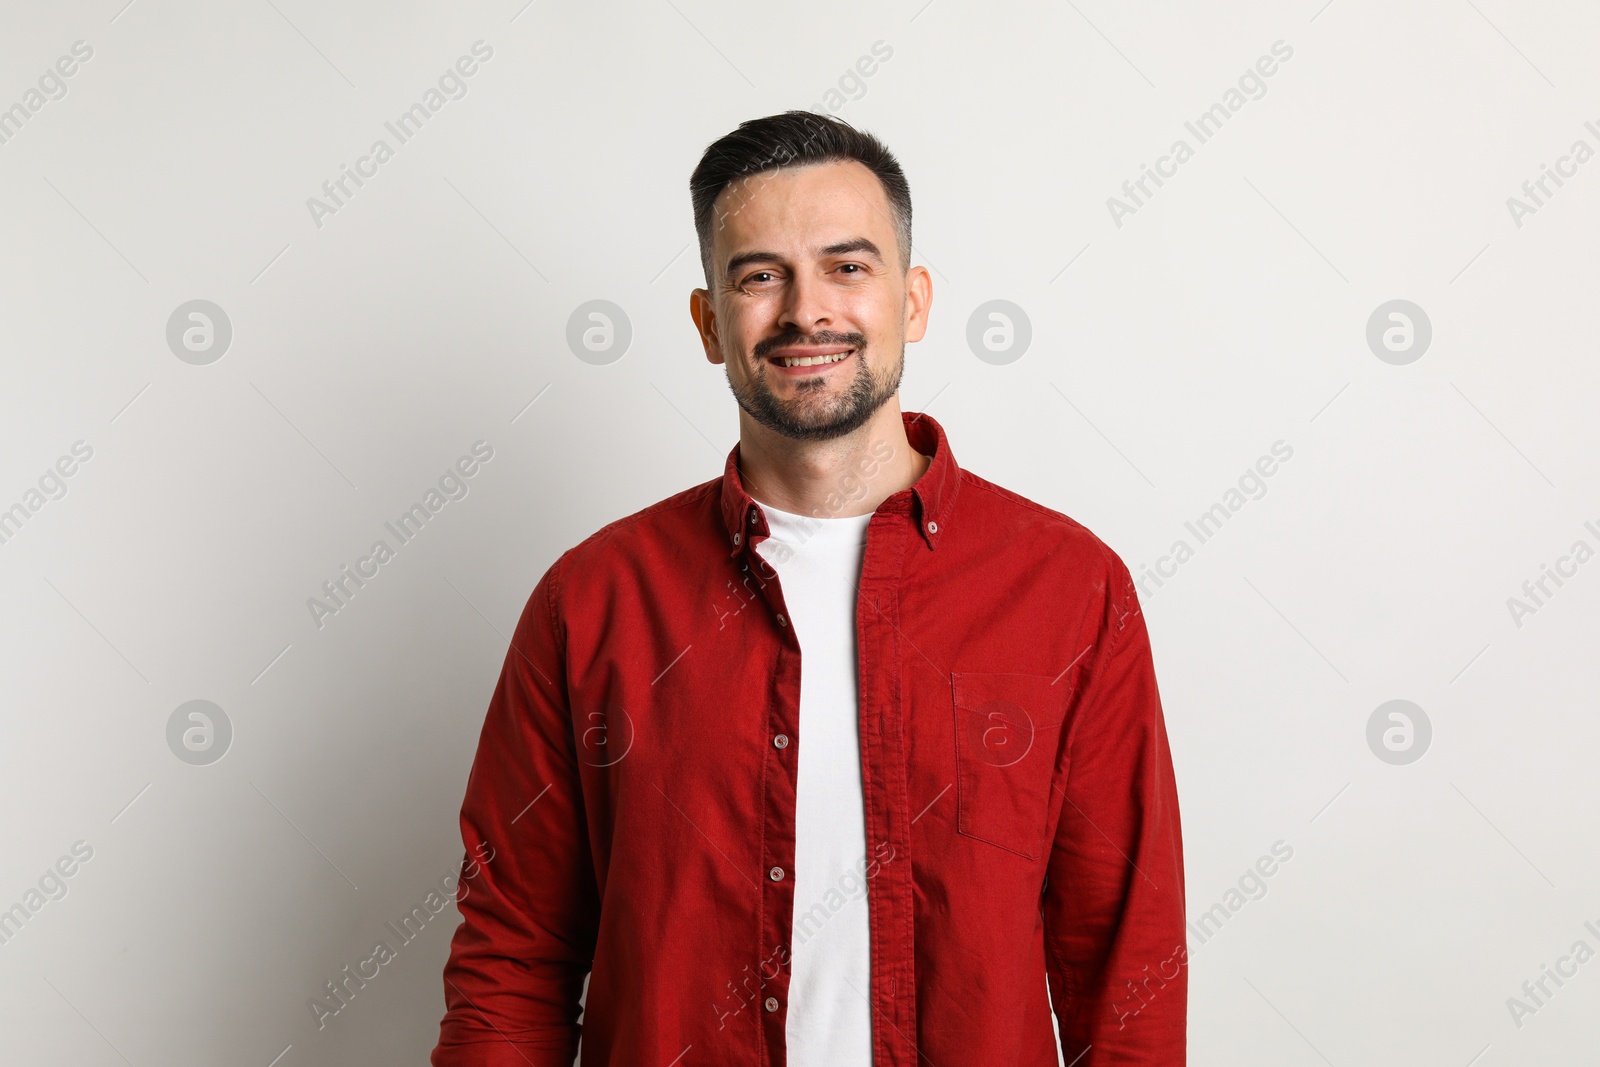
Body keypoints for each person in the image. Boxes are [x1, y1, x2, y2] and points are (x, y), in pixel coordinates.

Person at [431, 110, 1186, 1066]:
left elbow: (1126, 967)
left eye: (847, 266)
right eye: (759, 276)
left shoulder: (1072, 590)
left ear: (912, 301)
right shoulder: (591, 603)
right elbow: (514, 957)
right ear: (710, 324)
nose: (805, 311)